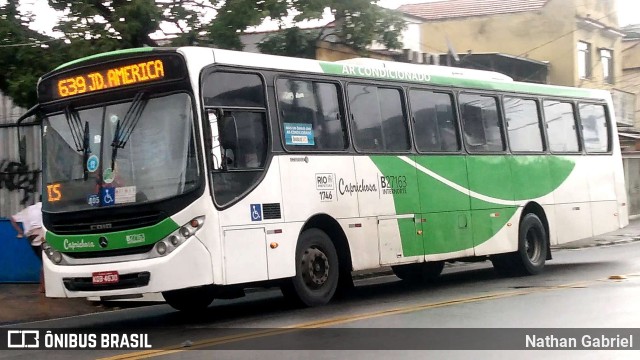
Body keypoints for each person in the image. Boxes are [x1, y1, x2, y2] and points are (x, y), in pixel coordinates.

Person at [10, 200, 45, 293]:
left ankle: (43, 287)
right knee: (46, 261)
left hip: (31, 236)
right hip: (42, 234)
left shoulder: (27, 210)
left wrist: (20, 232)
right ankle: (43, 287)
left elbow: (12, 219)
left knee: (43, 260)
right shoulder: (44, 207)